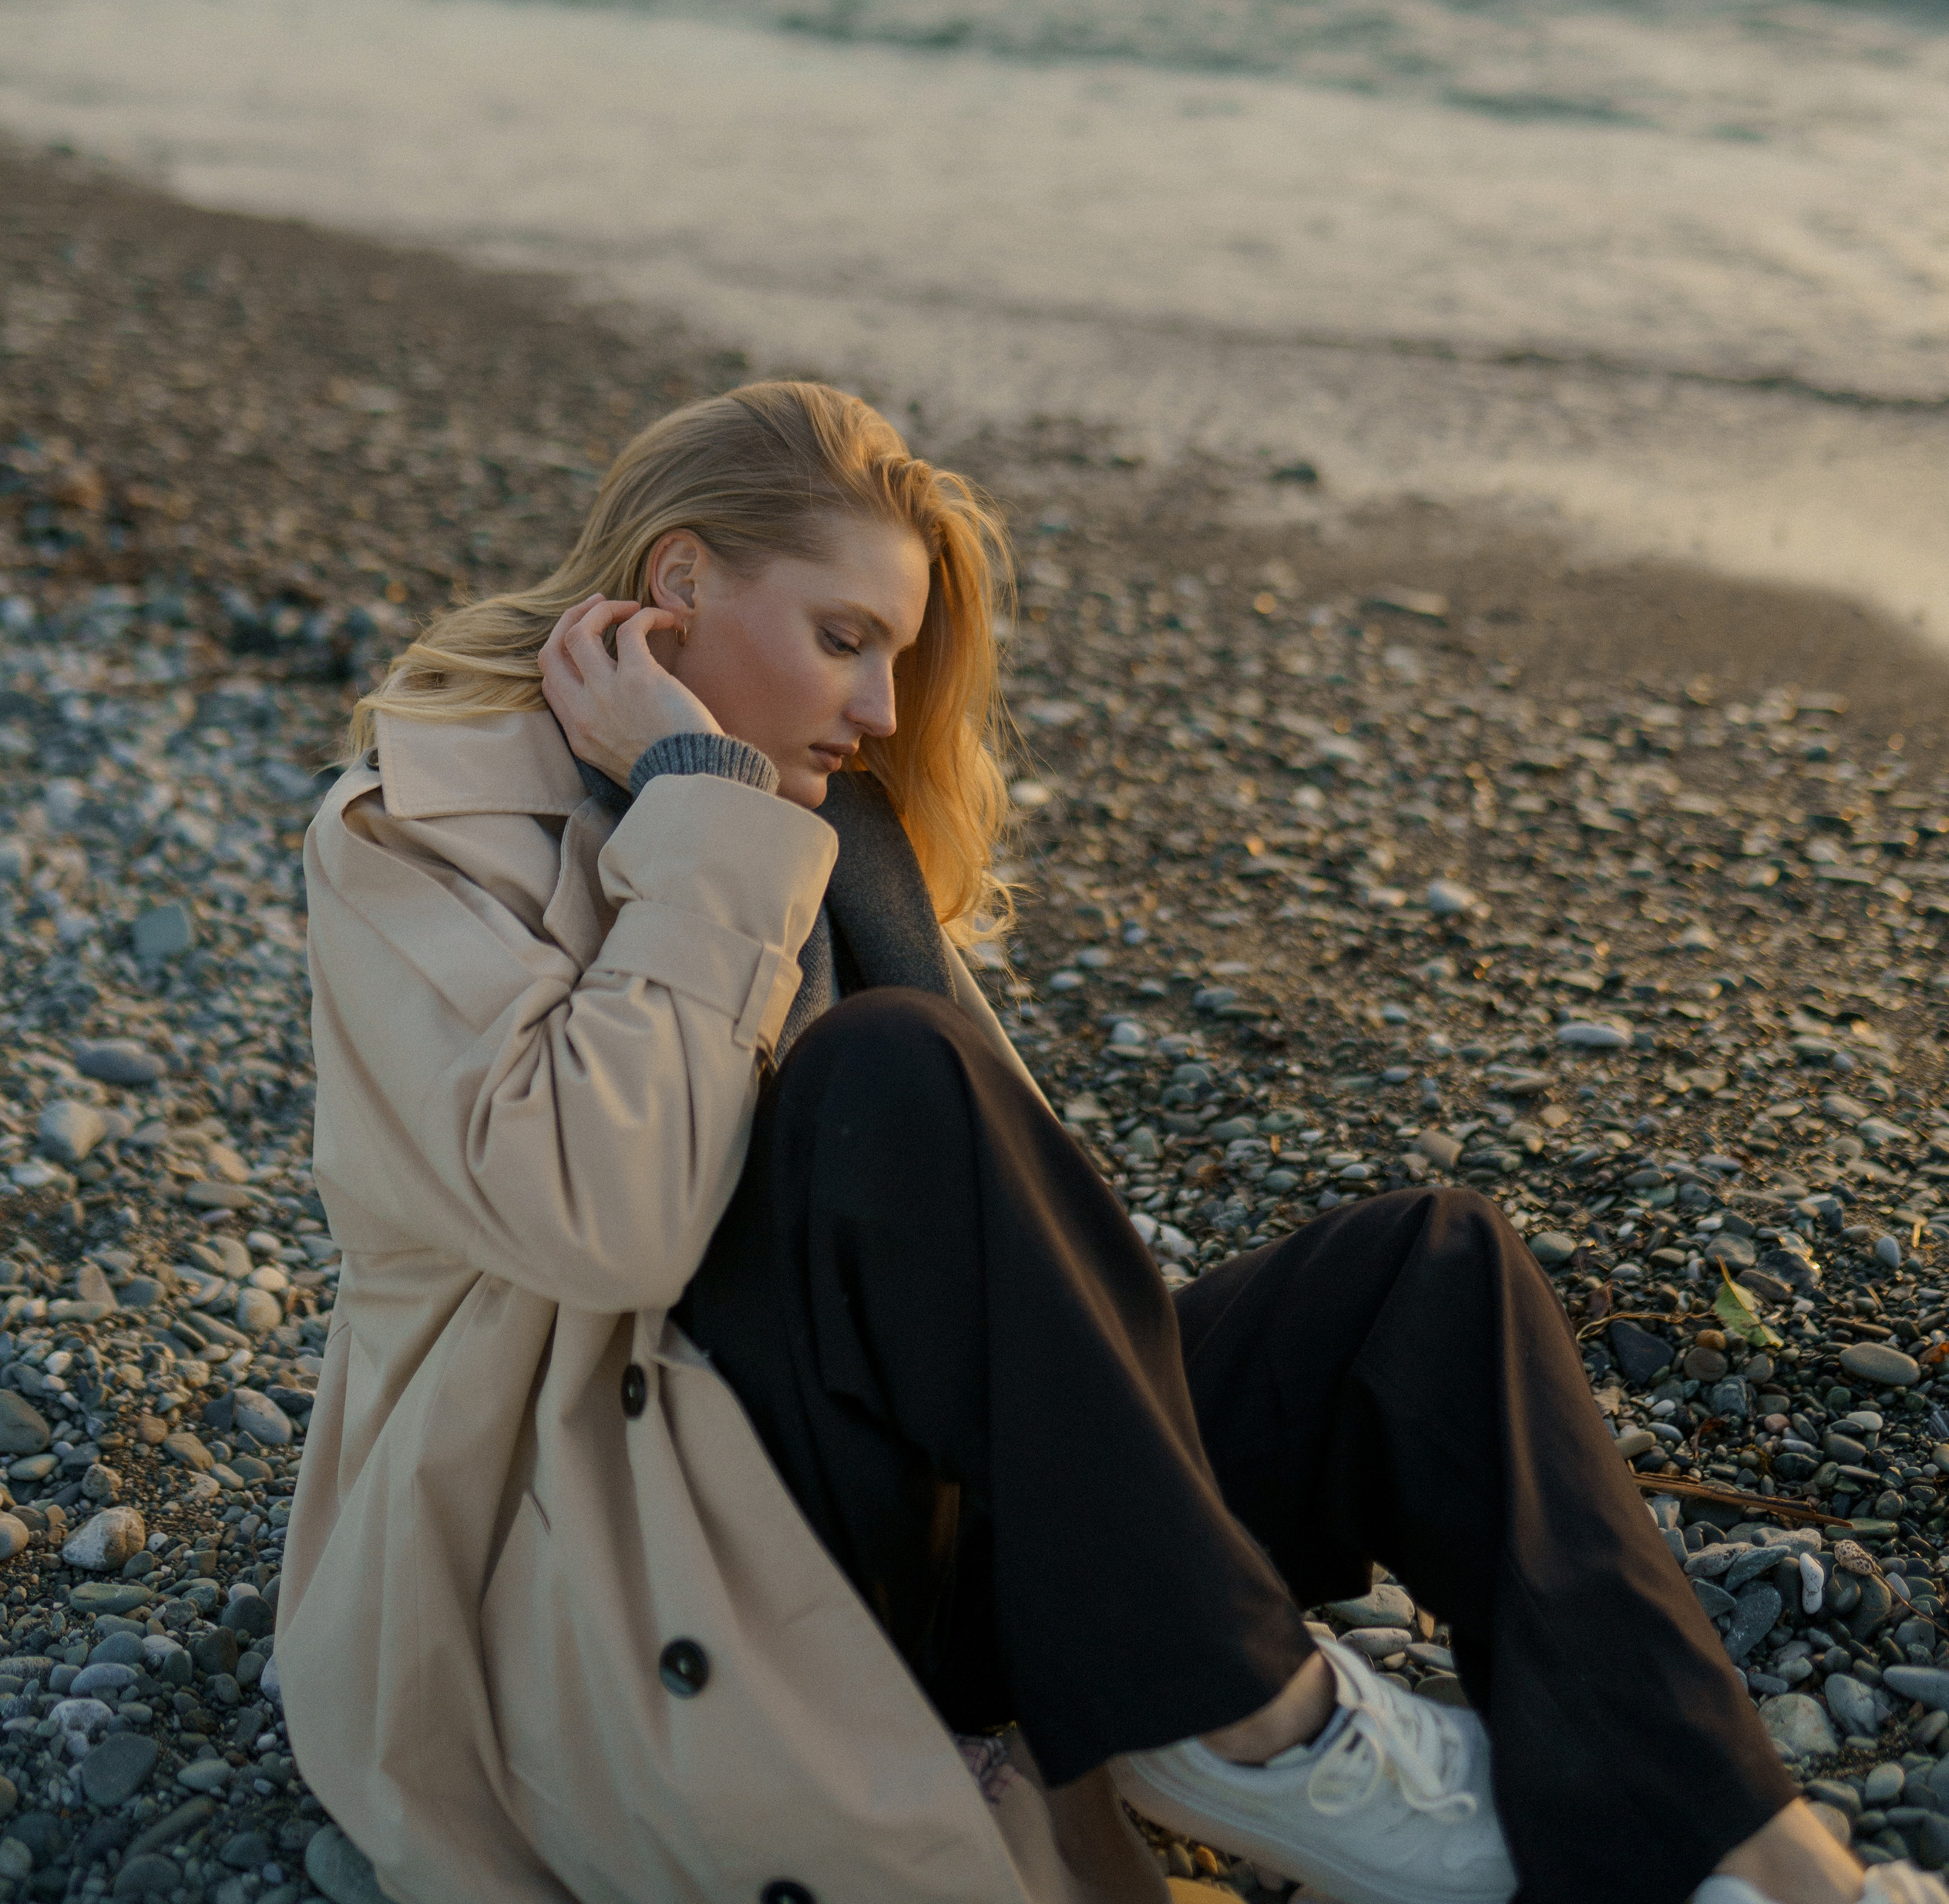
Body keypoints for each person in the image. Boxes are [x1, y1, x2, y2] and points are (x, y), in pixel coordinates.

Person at [279, 381, 1934, 1904]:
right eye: (842, 635)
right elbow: (609, 1222)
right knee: (891, 1073)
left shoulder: (817, 830)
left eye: (896, 657)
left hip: (909, 1507)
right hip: (636, 1544)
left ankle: (1753, 1858)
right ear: (679, 580)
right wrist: (702, 809)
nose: (873, 704)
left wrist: (744, 811)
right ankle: (1248, 1723)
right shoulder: (420, 830)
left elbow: (1015, 1269)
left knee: (1427, 1276)